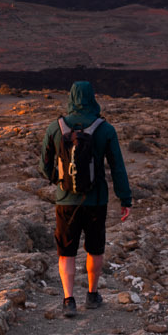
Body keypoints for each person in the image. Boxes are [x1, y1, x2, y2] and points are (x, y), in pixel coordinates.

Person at [39, 81, 133, 313]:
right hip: (96, 200)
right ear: (92, 98)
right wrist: (125, 199)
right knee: (95, 249)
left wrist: (60, 180)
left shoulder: (55, 128)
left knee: (66, 252)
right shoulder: (105, 129)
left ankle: (68, 300)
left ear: (71, 97)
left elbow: (44, 165)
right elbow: (117, 167)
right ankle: (92, 294)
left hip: (66, 201)